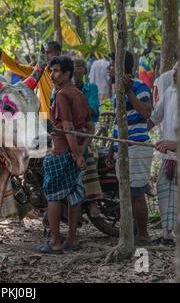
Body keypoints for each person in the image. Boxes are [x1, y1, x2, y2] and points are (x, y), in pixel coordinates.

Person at [33, 56, 93, 254]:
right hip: (74, 153)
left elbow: (67, 128)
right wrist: (81, 151)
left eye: (57, 71)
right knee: (74, 194)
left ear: (67, 74)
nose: (52, 74)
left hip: (60, 152)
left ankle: (55, 241)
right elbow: (89, 128)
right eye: (51, 70)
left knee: (53, 196)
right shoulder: (79, 94)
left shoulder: (61, 95)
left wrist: (76, 154)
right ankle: (72, 239)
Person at [107, 51, 153, 246]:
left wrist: (129, 92)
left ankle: (144, 236)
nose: (108, 68)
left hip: (136, 147)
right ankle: (133, 233)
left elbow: (146, 112)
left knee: (136, 193)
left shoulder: (140, 87)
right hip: (123, 149)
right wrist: (112, 146)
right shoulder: (117, 90)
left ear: (119, 66)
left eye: (111, 64)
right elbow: (119, 122)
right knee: (127, 192)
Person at [148, 62, 178, 246]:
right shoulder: (170, 93)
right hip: (169, 158)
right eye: (174, 71)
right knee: (165, 192)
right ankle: (168, 235)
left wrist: (175, 144)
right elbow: (154, 118)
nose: (174, 75)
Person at [73, 57, 103, 217]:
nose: (76, 69)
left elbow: (93, 109)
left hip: (87, 131)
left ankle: (92, 201)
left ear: (85, 70)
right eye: (73, 66)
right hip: (68, 131)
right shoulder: (60, 89)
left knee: (88, 154)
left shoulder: (91, 88)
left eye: (79, 66)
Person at [0, 41, 62, 115]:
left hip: (62, 121)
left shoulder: (66, 73)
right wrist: (0, 52)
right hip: (44, 121)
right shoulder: (39, 72)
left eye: (48, 53)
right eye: (44, 53)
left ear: (58, 54)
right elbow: (15, 67)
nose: (45, 56)